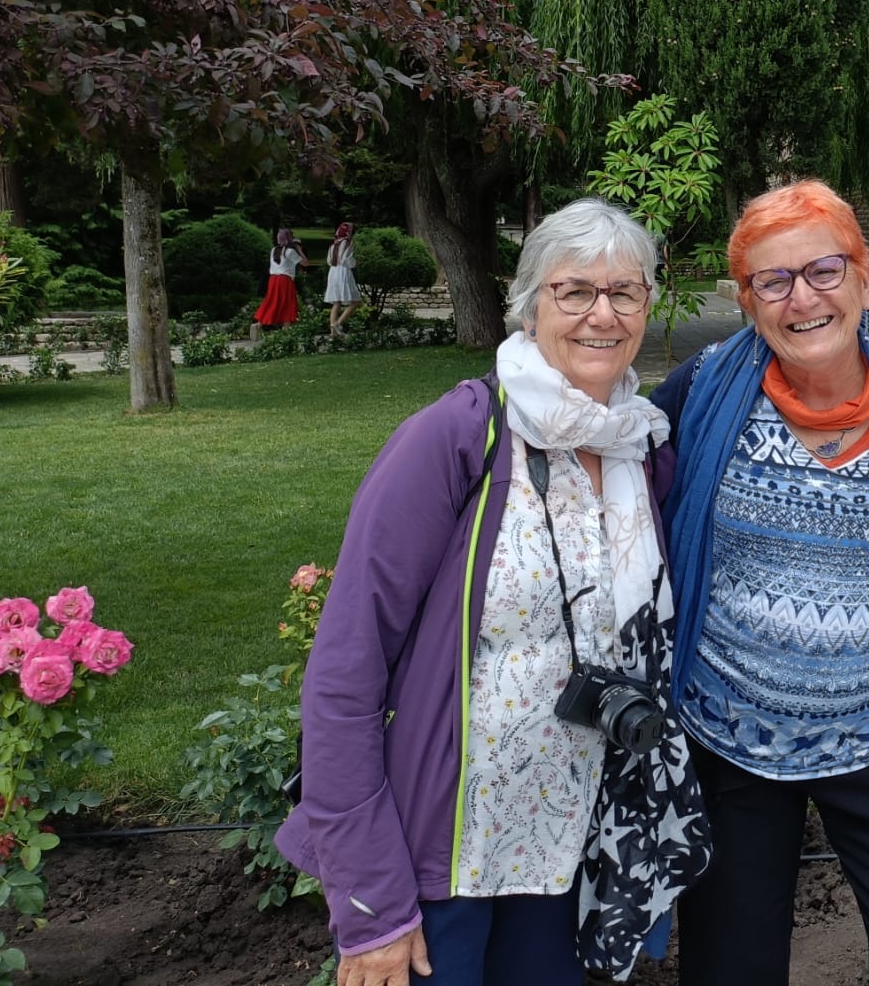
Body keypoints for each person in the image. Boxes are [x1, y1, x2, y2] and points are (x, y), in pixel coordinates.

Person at [277, 199, 710, 986]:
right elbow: (345, 672)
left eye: (625, 292)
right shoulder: (456, 438)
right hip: (440, 859)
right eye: (575, 291)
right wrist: (370, 902)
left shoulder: (639, 448)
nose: (602, 315)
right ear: (530, 302)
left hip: (564, 853)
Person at [649, 180, 869, 986]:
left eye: (825, 270)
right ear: (746, 299)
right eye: (774, 280)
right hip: (730, 732)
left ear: (864, 276)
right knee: (730, 968)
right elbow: (620, 496)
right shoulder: (702, 389)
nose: (803, 299)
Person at [254, 228, 307, 328]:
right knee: (288, 303)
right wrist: (299, 249)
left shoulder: (274, 250)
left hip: (273, 279)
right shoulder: (290, 252)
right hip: (285, 280)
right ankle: (286, 328)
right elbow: (306, 263)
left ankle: (259, 323)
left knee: (271, 301)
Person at [325, 222, 361, 336]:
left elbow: (329, 261)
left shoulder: (333, 244)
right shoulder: (348, 242)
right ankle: (337, 324)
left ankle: (333, 333)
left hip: (333, 272)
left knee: (336, 303)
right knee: (355, 301)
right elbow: (346, 259)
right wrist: (355, 263)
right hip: (343, 272)